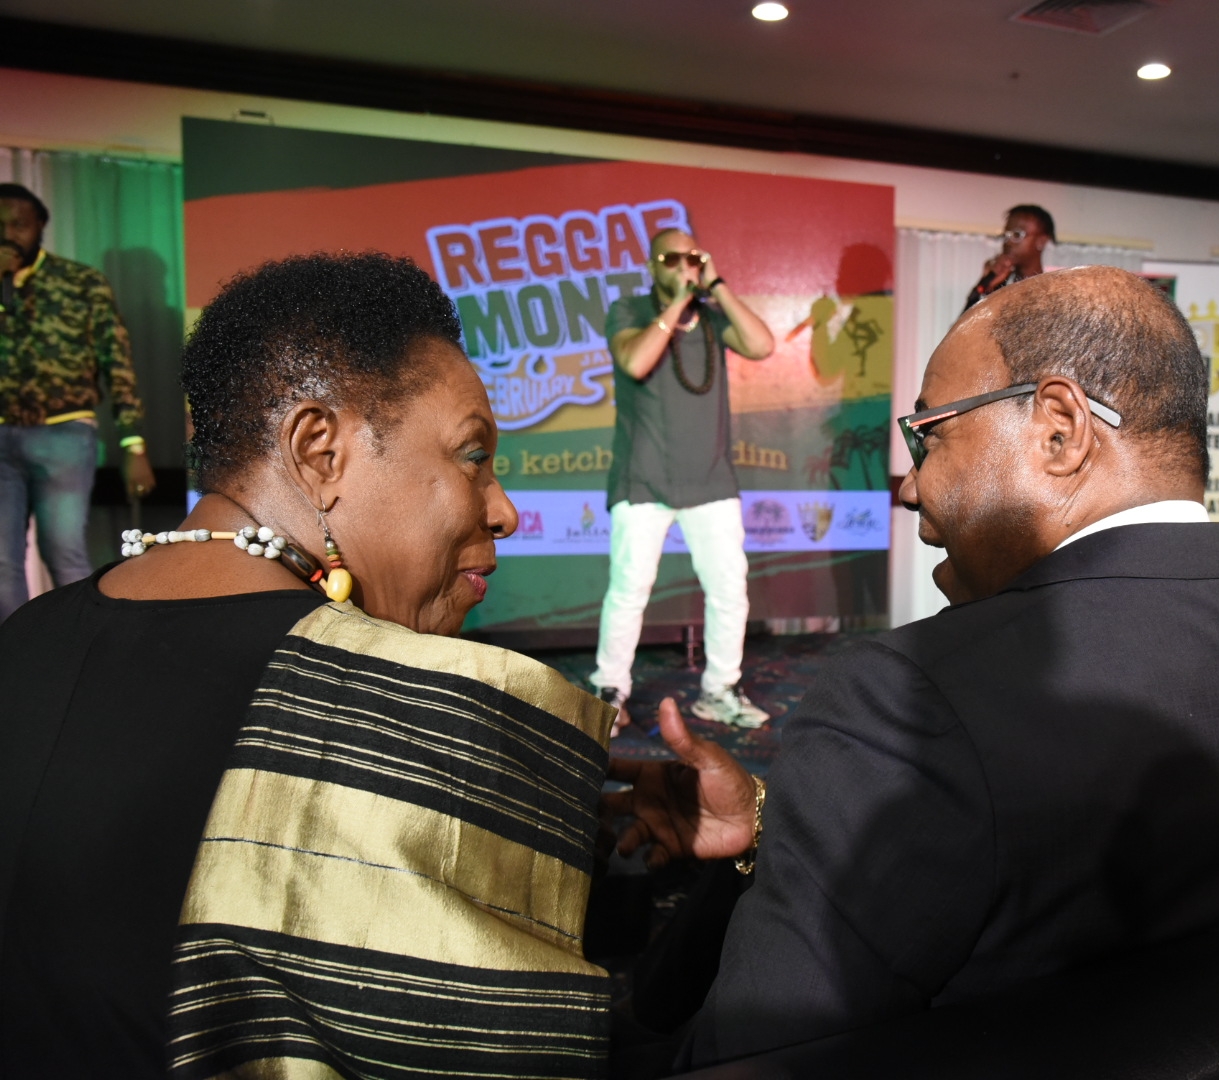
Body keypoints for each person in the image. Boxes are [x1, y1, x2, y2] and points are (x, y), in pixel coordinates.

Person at [610, 266, 1219, 1065]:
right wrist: (787, 822)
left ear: (1059, 429)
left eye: (930, 435)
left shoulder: (905, 701)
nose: (910, 488)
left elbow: (754, 1056)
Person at [0, 253, 616, 1078]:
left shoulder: (24, 640)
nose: (502, 508)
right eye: (474, 454)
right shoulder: (430, 716)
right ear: (318, 450)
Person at [590, 227, 776, 732]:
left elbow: (762, 345)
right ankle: (610, 690)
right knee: (629, 589)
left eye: (692, 257)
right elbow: (635, 360)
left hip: (710, 479)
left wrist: (716, 287)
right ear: (652, 266)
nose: (683, 266)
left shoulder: (713, 317)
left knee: (729, 589)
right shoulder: (628, 311)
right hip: (644, 477)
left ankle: (719, 690)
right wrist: (675, 304)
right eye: (671, 259)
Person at [0, 182, 155, 622]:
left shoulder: (81, 282)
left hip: (63, 434)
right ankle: (16, 660)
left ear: (40, 229)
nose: (8, 234)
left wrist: (133, 445)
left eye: (19, 225)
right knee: (1, 561)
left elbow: (118, 362)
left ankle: (76, 649)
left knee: (64, 551)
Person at [962, 204, 1054, 312]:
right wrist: (987, 286)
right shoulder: (1002, 288)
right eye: (1006, 235)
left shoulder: (1049, 295)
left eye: (1017, 235)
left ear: (1041, 241)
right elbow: (963, 328)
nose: (1008, 242)